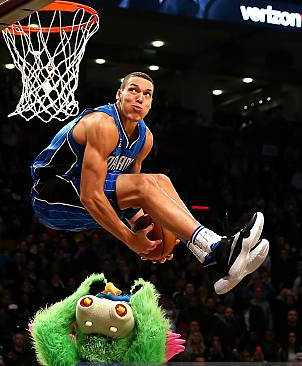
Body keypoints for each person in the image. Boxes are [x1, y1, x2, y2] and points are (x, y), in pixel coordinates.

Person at [31, 71, 268, 293]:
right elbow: (90, 195)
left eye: (147, 94)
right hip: (52, 194)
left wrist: (151, 233)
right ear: (119, 94)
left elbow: (130, 197)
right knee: (145, 185)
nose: (140, 98)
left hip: (85, 195)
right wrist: (129, 238)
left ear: (152, 103)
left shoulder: (145, 139)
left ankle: (211, 257)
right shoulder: (102, 124)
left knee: (160, 180)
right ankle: (219, 247)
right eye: (133, 90)